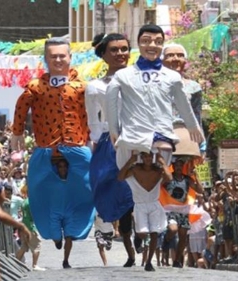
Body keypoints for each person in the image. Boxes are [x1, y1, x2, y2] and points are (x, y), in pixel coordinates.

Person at [11, 37, 95, 269]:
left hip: (77, 147)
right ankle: (51, 230)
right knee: (39, 188)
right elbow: (21, 106)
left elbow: (96, 111)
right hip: (46, 148)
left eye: (62, 55)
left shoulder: (83, 87)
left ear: (70, 58)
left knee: (87, 188)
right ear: (46, 59)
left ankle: (73, 230)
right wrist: (16, 132)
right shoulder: (36, 87)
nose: (58, 60)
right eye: (53, 56)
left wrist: (96, 136)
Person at [105, 24, 204, 169]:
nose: (152, 45)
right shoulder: (123, 75)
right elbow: (110, 102)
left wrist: (192, 126)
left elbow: (183, 104)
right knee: (131, 183)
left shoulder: (172, 77)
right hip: (132, 137)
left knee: (158, 181)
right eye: (146, 41)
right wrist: (113, 129)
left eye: (158, 42)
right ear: (138, 43)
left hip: (162, 137)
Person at [86, 32, 136, 267]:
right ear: (103, 54)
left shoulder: (140, 79)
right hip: (109, 141)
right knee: (108, 183)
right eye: (114, 50)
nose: (120, 54)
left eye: (124, 49)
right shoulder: (95, 86)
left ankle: (143, 237)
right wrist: (97, 144)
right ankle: (110, 226)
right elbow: (93, 120)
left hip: (138, 138)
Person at [118, 151, 172, 271]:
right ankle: (138, 237)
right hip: (140, 204)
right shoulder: (136, 169)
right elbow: (120, 177)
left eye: (150, 156)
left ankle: (149, 262)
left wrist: (162, 162)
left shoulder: (158, 170)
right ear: (142, 158)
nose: (148, 158)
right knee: (142, 233)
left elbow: (169, 178)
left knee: (154, 233)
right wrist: (130, 161)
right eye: (145, 156)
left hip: (154, 203)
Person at [162, 157, 204, 268]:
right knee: (173, 229)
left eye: (181, 165)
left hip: (183, 210)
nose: (179, 168)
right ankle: (167, 239)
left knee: (183, 237)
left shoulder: (186, 179)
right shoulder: (169, 178)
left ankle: (177, 260)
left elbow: (200, 190)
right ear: (174, 167)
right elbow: (158, 185)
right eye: (177, 166)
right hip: (171, 209)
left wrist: (196, 176)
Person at [16, 185, 46, 271]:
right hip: (30, 227)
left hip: (24, 226)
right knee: (37, 245)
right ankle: (35, 265)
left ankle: (16, 263)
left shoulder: (24, 202)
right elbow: (34, 216)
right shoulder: (32, 202)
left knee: (23, 247)